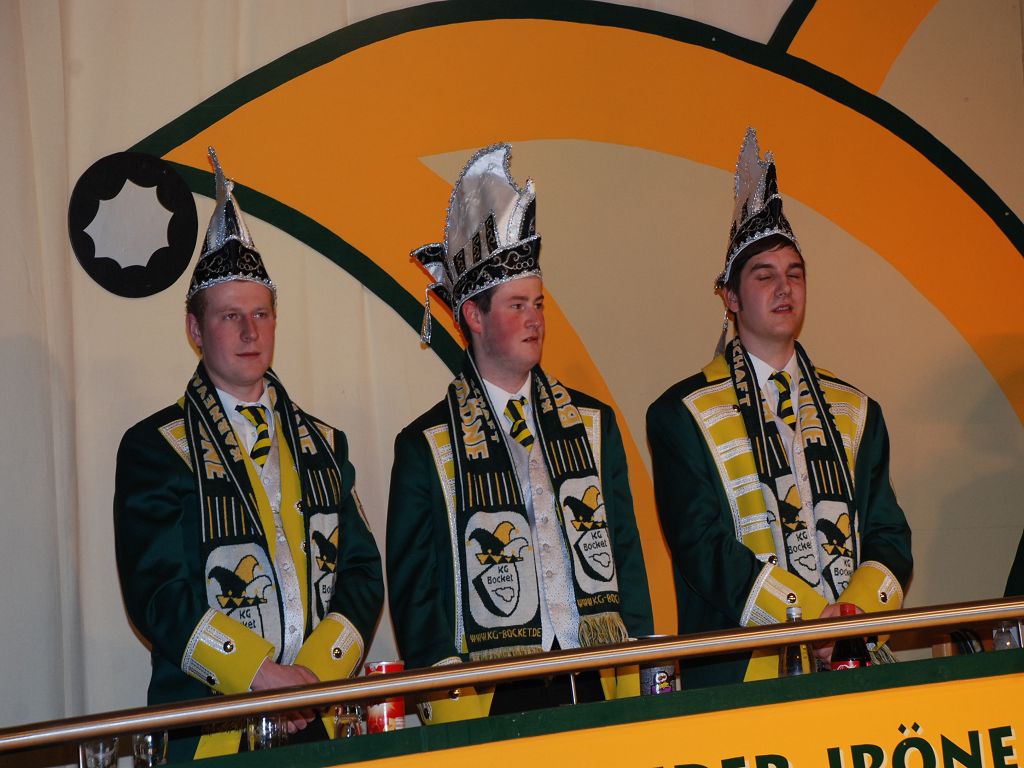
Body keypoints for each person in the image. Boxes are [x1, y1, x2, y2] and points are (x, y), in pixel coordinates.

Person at [114, 148, 383, 760]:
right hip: (209, 725)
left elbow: (363, 573)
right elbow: (157, 594)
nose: (249, 331)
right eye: (230, 316)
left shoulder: (325, 443)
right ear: (195, 329)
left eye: (261, 314)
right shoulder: (155, 447)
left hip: (317, 715)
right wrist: (260, 677)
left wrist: (313, 679)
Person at [387, 144, 653, 723]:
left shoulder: (593, 423)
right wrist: (449, 704)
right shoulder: (426, 445)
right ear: (474, 317)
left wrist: (640, 665)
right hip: (489, 694)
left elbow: (627, 557)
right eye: (515, 306)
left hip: (593, 677)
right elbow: (416, 594)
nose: (535, 319)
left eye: (538, 303)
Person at [647, 128, 912, 688]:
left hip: (853, 660)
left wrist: (850, 622)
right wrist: (811, 620)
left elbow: (889, 535)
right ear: (730, 297)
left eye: (795, 274)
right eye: (764, 276)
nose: (784, 288)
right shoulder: (681, 413)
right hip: (741, 677)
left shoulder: (856, 410)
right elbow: (703, 549)